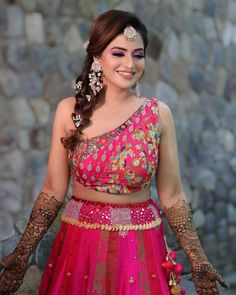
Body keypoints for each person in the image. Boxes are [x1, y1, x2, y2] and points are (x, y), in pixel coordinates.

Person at [0, 9, 228, 295]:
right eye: (118, 53)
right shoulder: (70, 111)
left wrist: (198, 259)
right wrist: (21, 255)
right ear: (97, 56)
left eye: (138, 54)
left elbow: (172, 194)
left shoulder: (158, 115)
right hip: (79, 245)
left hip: (140, 247)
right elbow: (54, 189)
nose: (129, 64)